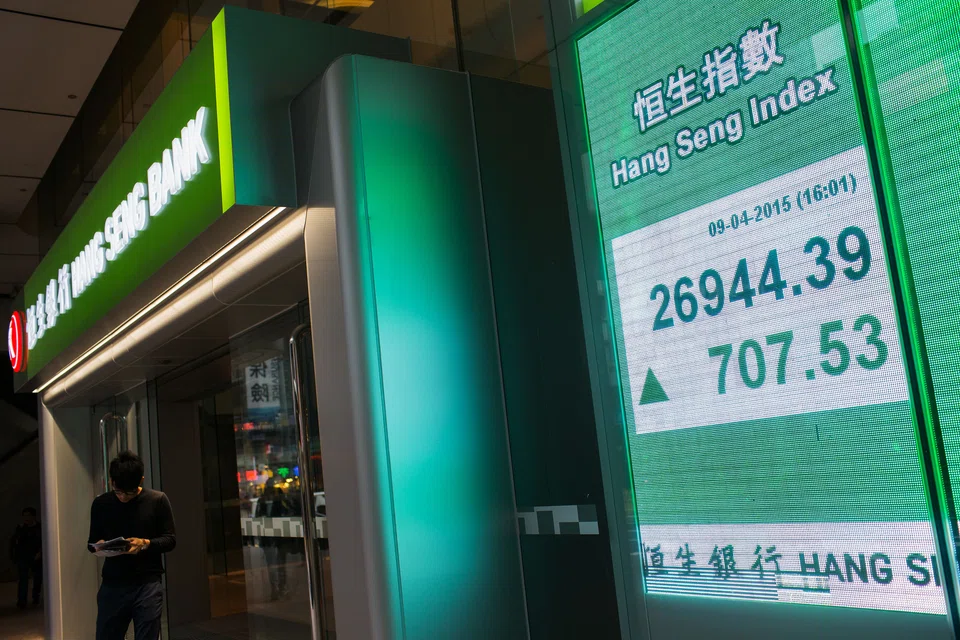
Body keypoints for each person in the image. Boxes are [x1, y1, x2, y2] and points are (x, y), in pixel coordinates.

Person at [88, 451, 176, 640]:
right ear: (112, 482)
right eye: (119, 492)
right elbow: (91, 542)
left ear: (141, 480)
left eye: (129, 492)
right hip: (112, 584)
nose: (123, 497)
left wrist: (145, 543)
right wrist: (101, 546)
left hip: (147, 584)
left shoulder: (157, 500)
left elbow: (170, 539)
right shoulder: (101, 504)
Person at [10, 506, 42, 609]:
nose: (26, 518)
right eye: (24, 516)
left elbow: (43, 541)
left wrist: (40, 553)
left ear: (33, 516)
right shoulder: (21, 528)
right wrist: (15, 556)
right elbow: (15, 542)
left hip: (36, 557)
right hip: (23, 557)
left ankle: (35, 598)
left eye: (28, 516)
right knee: (23, 579)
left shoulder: (39, 528)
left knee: (37, 579)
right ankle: (22, 601)